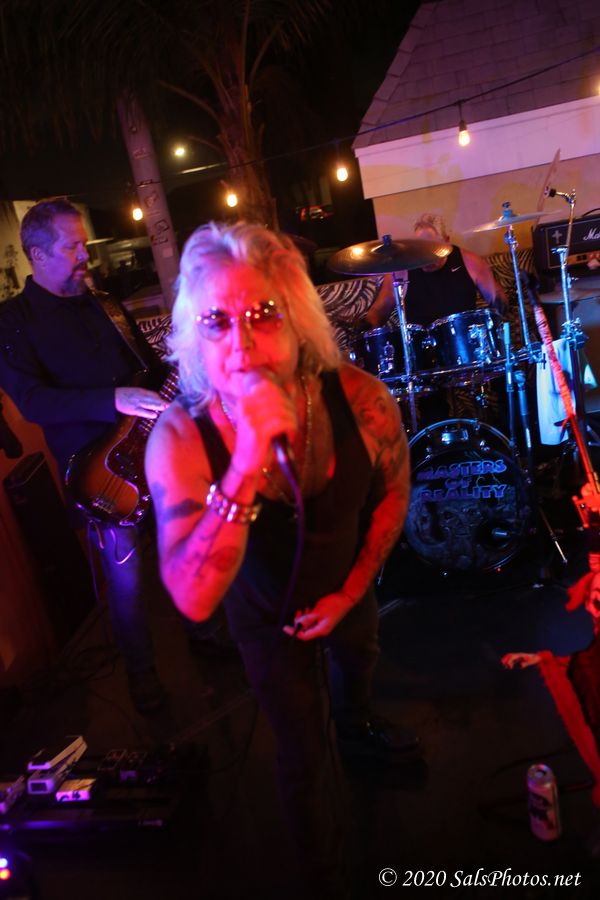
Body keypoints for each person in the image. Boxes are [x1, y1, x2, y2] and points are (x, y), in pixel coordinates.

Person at [145, 220, 416, 896]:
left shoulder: (362, 399)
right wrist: (242, 468)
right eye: (216, 321)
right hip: (264, 620)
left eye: (263, 313)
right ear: (193, 338)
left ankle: (359, 727)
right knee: (299, 754)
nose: (240, 344)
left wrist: (350, 593)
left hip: (349, 589)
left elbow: (392, 496)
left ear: (298, 319)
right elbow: (192, 599)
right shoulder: (178, 438)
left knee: (359, 665)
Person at [0, 198, 170, 712]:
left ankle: (205, 633)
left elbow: (149, 368)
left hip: (155, 450)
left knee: (181, 549)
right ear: (37, 254)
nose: (85, 256)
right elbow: (34, 402)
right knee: (125, 577)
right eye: (72, 247)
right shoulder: (12, 321)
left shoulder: (106, 303)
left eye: (83, 244)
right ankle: (143, 676)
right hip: (97, 471)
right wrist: (110, 399)